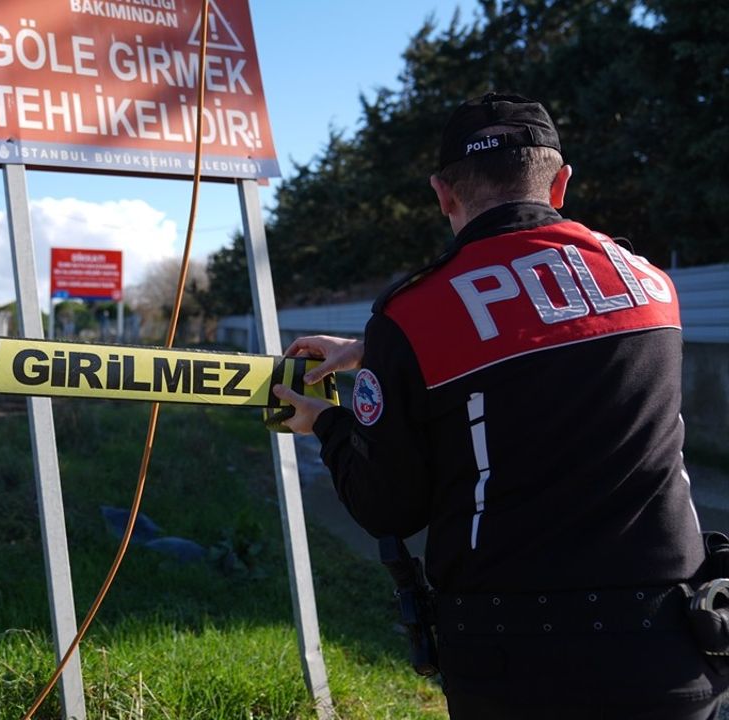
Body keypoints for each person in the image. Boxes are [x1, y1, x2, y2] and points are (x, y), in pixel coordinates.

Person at [270, 92, 727, 719]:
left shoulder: (413, 317)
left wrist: (325, 422)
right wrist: (371, 351)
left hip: (514, 657)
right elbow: (550, 335)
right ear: (560, 183)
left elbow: (390, 505)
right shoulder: (651, 286)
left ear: (442, 193)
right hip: (672, 647)